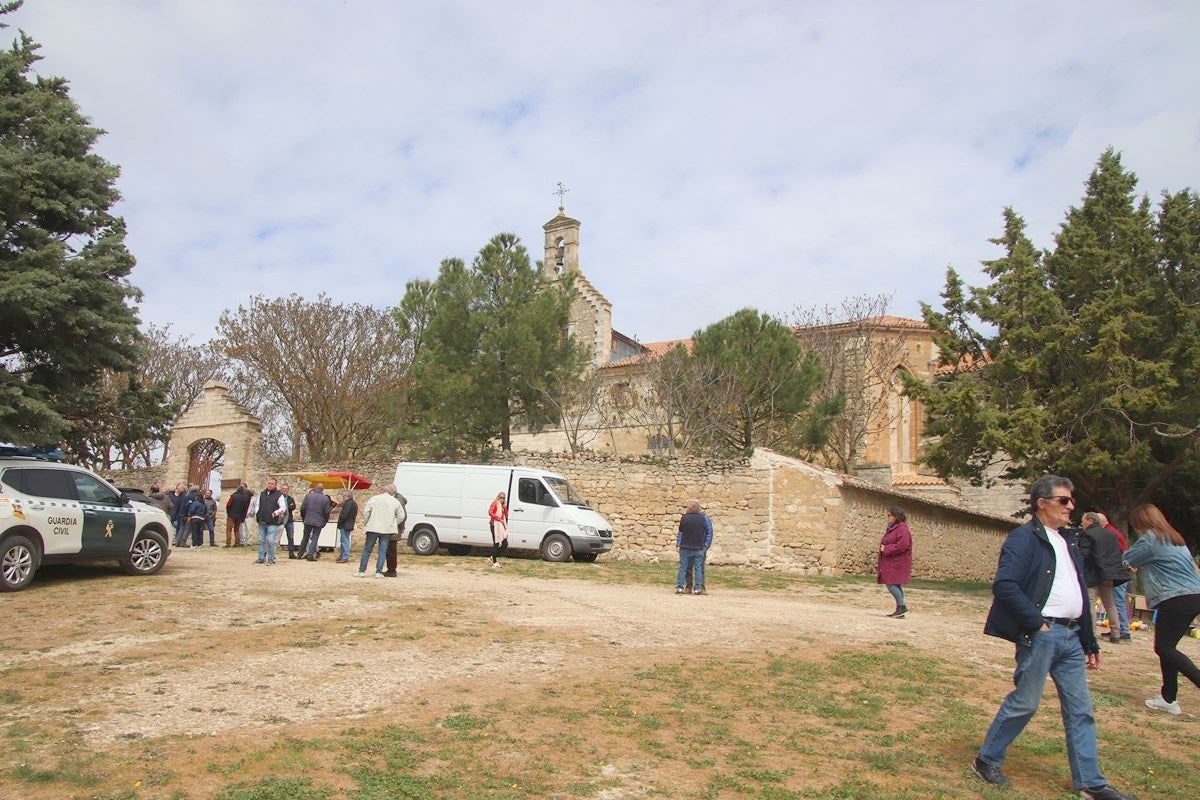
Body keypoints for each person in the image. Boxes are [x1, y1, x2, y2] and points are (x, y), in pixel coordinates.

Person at [971, 475, 1136, 800]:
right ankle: (986, 759)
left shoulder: (1069, 541)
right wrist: (1037, 623)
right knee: (1026, 702)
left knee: (1081, 709)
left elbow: (1079, 594)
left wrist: (1089, 640)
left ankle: (1092, 783)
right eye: (1064, 500)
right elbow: (1005, 586)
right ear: (1041, 503)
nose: (1071, 506)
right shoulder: (1023, 539)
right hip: (1041, 634)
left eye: (1071, 500)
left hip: (1072, 637)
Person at [1124, 503, 1200, 716]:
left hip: (1174, 597)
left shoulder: (1151, 538)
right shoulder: (1176, 539)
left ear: (1141, 523)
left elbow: (1127, 558)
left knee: (1164, 648)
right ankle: (1168, 698)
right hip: (1193, 595)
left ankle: (1178, 692)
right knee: (1168, 647)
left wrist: (1131, 563)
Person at [1079, 512, 1131, 644]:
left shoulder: (1087, 534)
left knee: (1090, 602)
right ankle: (1116, 633)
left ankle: (1091, 633)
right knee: (1110, 604)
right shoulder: (1111, 535)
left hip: (1092, 573)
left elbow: (1083, 554)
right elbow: (1117, 554)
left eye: (1083, 521)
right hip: (1109, 573)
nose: (1082, 524)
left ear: (1090, 521)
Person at [358, 484, 406, 578]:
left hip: (373, 528)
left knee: (367, 550)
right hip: (386, 529)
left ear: (382, 491)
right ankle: (378, 572)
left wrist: (366, 522)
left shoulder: (374, 499)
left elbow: (366, 512)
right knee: (382, 551)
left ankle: (361, 571)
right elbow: (401, 515)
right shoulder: (395, 501)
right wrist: (393, 523)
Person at [1100, 513, 1132, 641]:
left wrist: (1128, 566)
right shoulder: (1112, 532)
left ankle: (1123, 631)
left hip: (1118, 572)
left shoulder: (1110, 534)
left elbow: (1121, 552)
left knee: (1118, 601)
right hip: (1119, 571)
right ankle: (1119, 629)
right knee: (1115, 601)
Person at [878, 506, 913, 618]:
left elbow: (902, 545)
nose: (888, 518)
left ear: (896, 517)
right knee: (896, 584)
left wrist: (887, 549)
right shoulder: (893, 528)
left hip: (897, 561)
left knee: (890, 583)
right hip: (892, 561)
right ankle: (899, 609)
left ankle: (902, 606)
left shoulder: (902, 529)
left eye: (889, 515)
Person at [675, 500, 707, 595]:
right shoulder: (702, 518)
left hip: (686, 546)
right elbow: (704, 530)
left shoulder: (685, 518)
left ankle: (680, 587)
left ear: (690, 508)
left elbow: (681, 530)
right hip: (698, 547)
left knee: (683, 568)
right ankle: (697, 588)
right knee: (698, 568)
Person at [253, 478, 287, 565]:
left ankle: (271, 558)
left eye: (272, 484)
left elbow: (283, 507)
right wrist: (258, 513)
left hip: (272, 521)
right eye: (269, 483)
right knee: (261, 540)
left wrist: (276, 513)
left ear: (275, 485)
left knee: (271, 541)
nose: (270, 485)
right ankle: (261, 558)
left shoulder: (279, 495)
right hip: (262, 520)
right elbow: (257, 505)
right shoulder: (262, 494)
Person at [299, 483, 333, 561]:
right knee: (315, 538)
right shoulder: (325, 499)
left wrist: (304, 518)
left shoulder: (308, 496)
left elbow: (302, 508)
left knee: (305, 537)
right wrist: (325, 521)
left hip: (308, 519)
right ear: (322, 490)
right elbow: (327, 512)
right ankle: (310, 555)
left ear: (315, 488)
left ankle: (300, 554)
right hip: (318, 520)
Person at [684, 506, 714, 594]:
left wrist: (705, 547)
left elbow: (709, 532)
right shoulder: (687, 518)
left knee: (700, 568)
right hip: (688, 546)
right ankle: (688, 587)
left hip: (700, 547)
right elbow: (682, 532)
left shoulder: (705, 518)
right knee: (688, 567)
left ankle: (701, 587)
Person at [382, 490, 408, 577]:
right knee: (390, 549)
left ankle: (392, 570)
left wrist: (398, 526)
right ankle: (391, 569)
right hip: (394, 528)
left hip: (394, 529)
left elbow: (402, 515)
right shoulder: (398, 499)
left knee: (391, 550)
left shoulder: (398, 500)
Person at [335, 490, 358, 563]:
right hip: (348, 524)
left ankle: (344, 556)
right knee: (344, 540)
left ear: (346, 496)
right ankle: (343, 555)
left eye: (343, 496)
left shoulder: (348, 504)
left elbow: (344, 514)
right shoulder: (353, 503)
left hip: (345, 524)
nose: (343, 498)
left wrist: (340, 522)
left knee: (345, 541)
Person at [488, 491, 509, 568]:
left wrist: (505, 507)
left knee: (505, 543)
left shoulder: (502, 506)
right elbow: (490, 512)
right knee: (496, 543)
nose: (502, 499)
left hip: (501, 526)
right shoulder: (495, 503)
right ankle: (494, 561)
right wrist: (498, 519)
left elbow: (506, 515)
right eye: (501, 497)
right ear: (498, 497)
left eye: (504, 498)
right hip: (494, 525)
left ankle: (493, 556)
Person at [280, 483, 298, 558]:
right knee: (277, 536)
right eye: (283, 489)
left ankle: (291, 553)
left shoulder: (290, 499)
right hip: (280, 520)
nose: (284, 490)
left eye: (286, 489)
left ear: (288, 490)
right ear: (281, 490)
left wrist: (286, 507)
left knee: (290, 537)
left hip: (289, 520)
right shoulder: (278, 498)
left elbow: (293, 506)